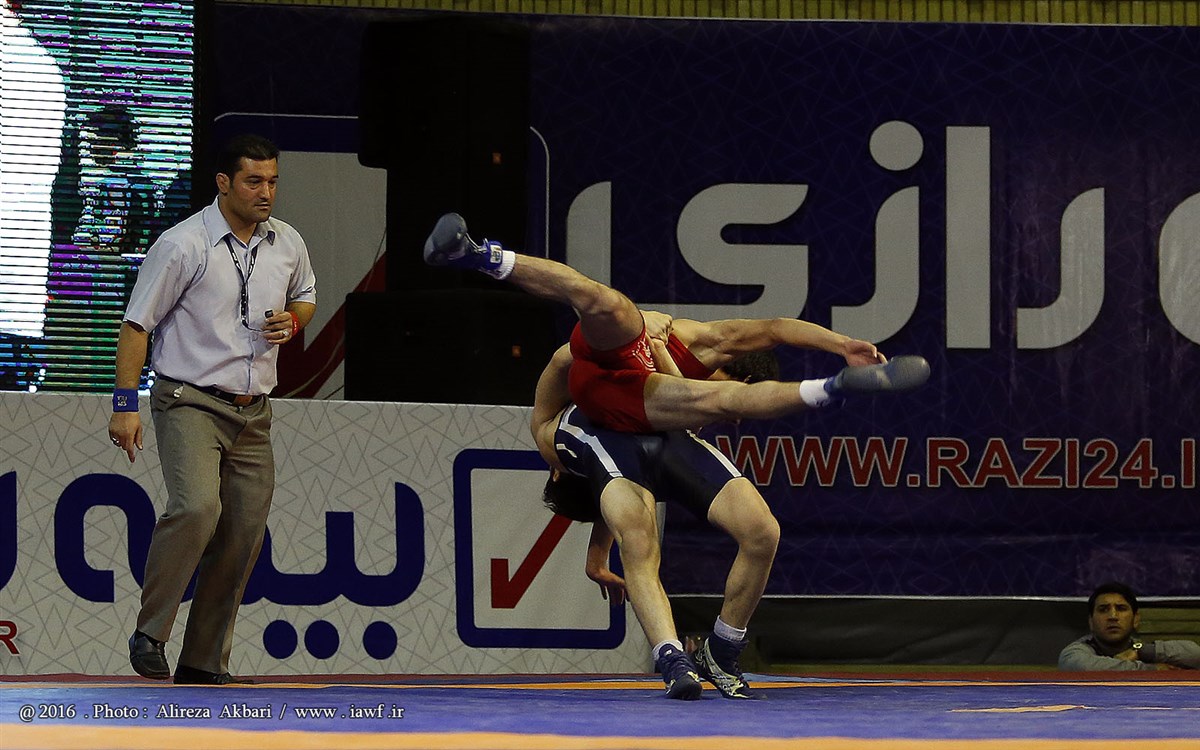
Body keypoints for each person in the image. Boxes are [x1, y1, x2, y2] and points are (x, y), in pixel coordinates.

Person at [428, 212, 930, 699]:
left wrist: (843, 343)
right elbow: (612, 409)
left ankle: (720, 650)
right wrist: (649, 349)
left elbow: (770, 329)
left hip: (630, 392)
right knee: (693, 394)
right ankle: (672, 657)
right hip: (623, 394)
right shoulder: (577, 446)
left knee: (761, 530)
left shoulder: (578, 427)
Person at [107, 134, 316, 685]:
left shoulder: (287, 241)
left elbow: (306, 295)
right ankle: (150, 632)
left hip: (254, 412)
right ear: (223, 183)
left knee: (243, 535)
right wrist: (125, 405)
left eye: (273, 181)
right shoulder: (182, 244)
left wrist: (294, 321)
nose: (266, 192)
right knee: (198, 508)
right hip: (190, 400)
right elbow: (136, 325)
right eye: (253, 181)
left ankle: (202, 661)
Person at [424, 211, 930, 435]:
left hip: (632, 405)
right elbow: (778, 326)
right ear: (734, 364)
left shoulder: (707, 398)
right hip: (607, 366)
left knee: (718, 405)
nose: (725, 395)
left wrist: (662, 352)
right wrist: (842, 343)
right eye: (731, 380)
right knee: (604, 302)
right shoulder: (713, 342)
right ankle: (480, 256)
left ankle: (830, 389)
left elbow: (696, 404)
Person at [1058, 581, 1200, 671]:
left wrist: (1141, 651)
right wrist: (1152, 670)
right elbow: (1080, 666)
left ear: (1135, 619)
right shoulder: (1075, 653)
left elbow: (1195, 654)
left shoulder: (1141, 649)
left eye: (1121, 608)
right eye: (1103, 609)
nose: (1113, 616)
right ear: (1091, 622)